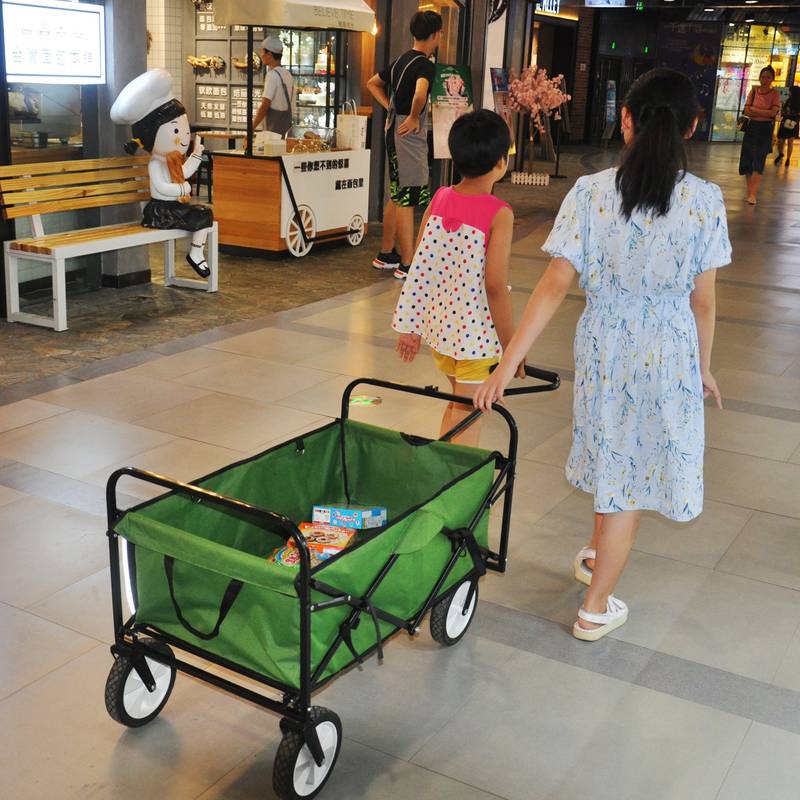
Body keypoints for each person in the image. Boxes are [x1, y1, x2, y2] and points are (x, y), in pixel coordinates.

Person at [474, 68, 732, 642]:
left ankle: (597, 555)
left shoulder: (590, 193)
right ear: (691, 125)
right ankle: (596, 607)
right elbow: (704, 303)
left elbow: (552, 286)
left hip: (604, 346)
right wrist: (702, 366)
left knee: (613, 452)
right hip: (666, 349)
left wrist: (509, 361)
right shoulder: (704, 201)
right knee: (630, 481)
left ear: (626, 120)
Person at [393, 110, 522, 446]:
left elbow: (421, 265)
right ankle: (458, 490)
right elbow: (495, 287)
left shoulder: (441, 198)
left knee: (459, 403)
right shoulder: (499, 213)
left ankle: (443, 475)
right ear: (499, 163)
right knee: (470, 414)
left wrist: (412, 325)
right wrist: (512, 350)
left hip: (443, 332)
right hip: (475, 338)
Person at [111, 68, 213, 278]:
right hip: (161, 212)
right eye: (176, 131)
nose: (183, 137)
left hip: (173, 207)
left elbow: (184, 171)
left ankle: (196, 251)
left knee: (205, 214)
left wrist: (195, 156)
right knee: (201, 215)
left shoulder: (172, 160)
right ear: (150, 137)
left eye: (185, 130)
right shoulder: (156, 164)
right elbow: (161, 188)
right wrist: (181, 188)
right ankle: (195, 252)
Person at [367, 11, 443, 280]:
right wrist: (412, 116)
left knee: (397, 194)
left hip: (393, 131)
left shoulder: (400, 60)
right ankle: (408, 264)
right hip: (407, 136)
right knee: (407, 198)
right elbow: (421, 93)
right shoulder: (425, 65)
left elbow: (373, 83)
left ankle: (387, 253)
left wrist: (391, 108)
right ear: (435, 34)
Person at [739, 65, 781, 205]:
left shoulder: (774, 94)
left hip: (765, 130)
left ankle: (753, 194)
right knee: (747, 160)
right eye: (763, 77)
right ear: (759, 77)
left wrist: (755, 110)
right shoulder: (754, 90)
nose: (765, 80)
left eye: (768, 77)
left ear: (772, 79)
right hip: (752, 128)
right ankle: (750, 192)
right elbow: (747, 110)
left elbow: (773, 113)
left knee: (759, 159)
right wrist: (764, 112)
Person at [251, 36, 295, 137]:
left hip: (273, 134)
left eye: (262, 52)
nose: (261, 56)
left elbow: (265, 105)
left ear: (269, 54)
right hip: (286, 132)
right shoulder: (287, 74)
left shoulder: (272, 75)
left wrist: (251, 128)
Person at [775, 86, 800, 167]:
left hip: (793, 122)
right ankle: (781, 154)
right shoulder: (787, 101)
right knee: (780, 140)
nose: (788, 93)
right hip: (785, 121)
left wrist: (794, 114)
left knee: (790, 141)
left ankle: (788, 158)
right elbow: (783, 111)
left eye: (790, 91)